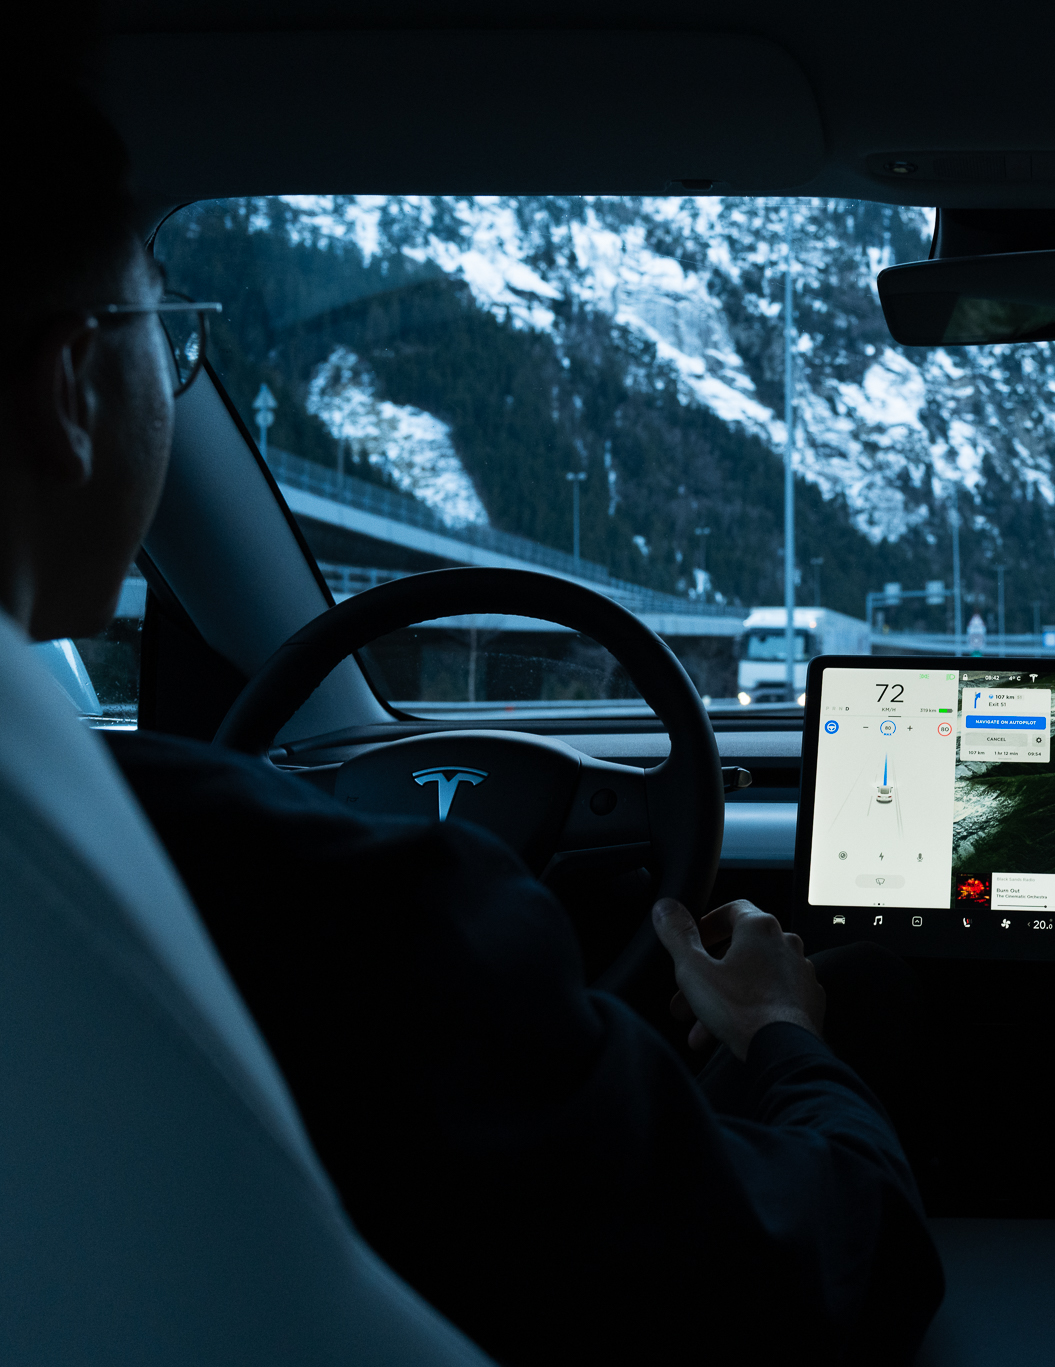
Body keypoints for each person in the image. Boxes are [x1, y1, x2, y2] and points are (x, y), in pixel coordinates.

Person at [1, 72, 941, 1367]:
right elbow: (843, 1264)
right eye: (170, 342)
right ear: (71, 388)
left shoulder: (109, 856)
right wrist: (782, 1033)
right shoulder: (374, 920)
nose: (176, 376)